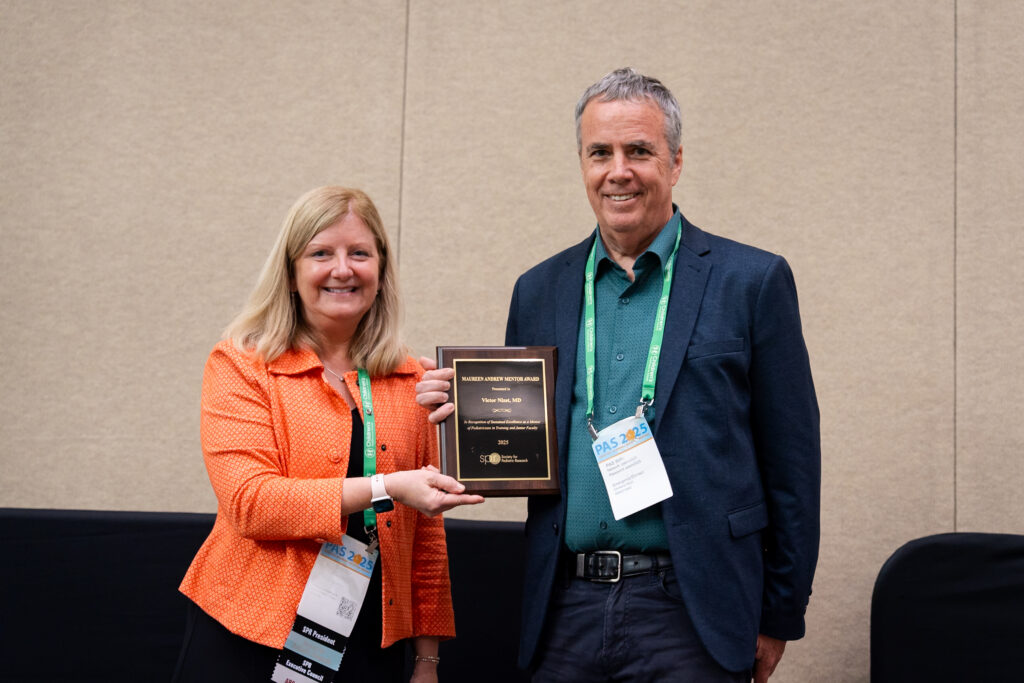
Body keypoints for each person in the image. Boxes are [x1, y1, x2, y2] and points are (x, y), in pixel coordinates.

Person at [416, 68, 820, 682]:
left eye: (639, 151)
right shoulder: (539, 289)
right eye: (599, 152)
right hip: (565, 609)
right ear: (582, 162)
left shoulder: (752, 283)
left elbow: (793, 464)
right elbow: (524, 450)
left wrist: (780, 613)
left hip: (694, 612)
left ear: (676, 161)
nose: (618, 171)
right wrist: (463, 419)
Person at [173, 186, 483, 683]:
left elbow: (425, 534)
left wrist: (427, 660)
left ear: (380, 272)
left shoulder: (411, 380)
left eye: (360, 253)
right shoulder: (242, 364)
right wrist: (387, 487)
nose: (343, 269)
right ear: (292, 274)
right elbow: (251, 504)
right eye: (321, 253)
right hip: (249, 634)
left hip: (369, 641)